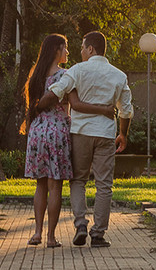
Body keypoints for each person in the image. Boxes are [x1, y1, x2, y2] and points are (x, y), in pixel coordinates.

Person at [34, 30, 133, 248]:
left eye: (82, 47)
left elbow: (57, 91)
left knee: (78, 180)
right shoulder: (119, 75)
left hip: (80, 133)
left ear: (90, 49)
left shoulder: (77, 70)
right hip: (106, 134)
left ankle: (80, 224)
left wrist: (37, 107)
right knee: (104, 184)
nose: (79, 52)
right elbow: (126, 110)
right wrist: (123, 134)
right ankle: (98, 234)